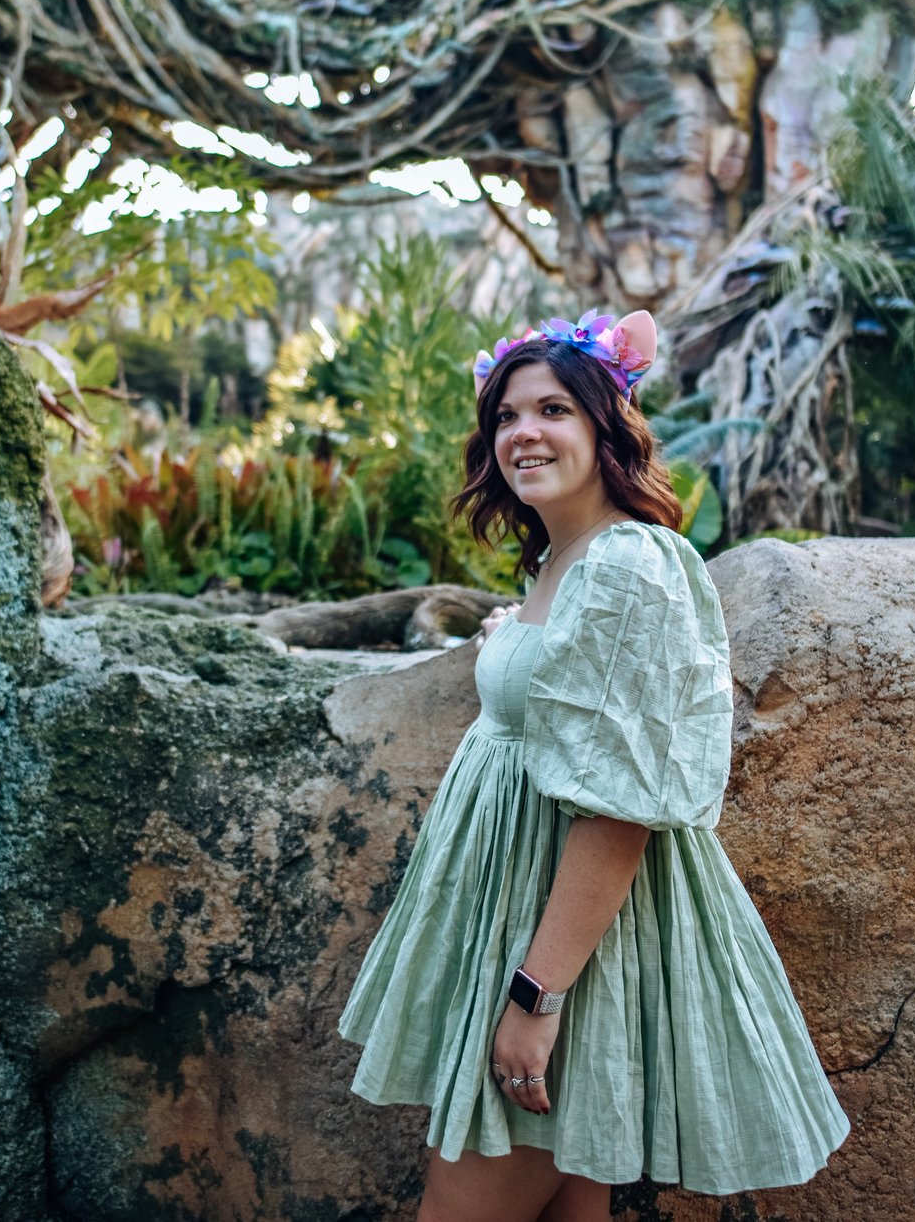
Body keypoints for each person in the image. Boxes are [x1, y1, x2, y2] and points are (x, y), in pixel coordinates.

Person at [338, 307, 850, 1222]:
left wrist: (536, 996)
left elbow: (621, 807)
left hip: (565, 947)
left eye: (554, 411)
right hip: (534, 924)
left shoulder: (625, 567)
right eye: (505, 416)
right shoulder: (563, 564)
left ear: (605, 429)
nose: (523, 432)